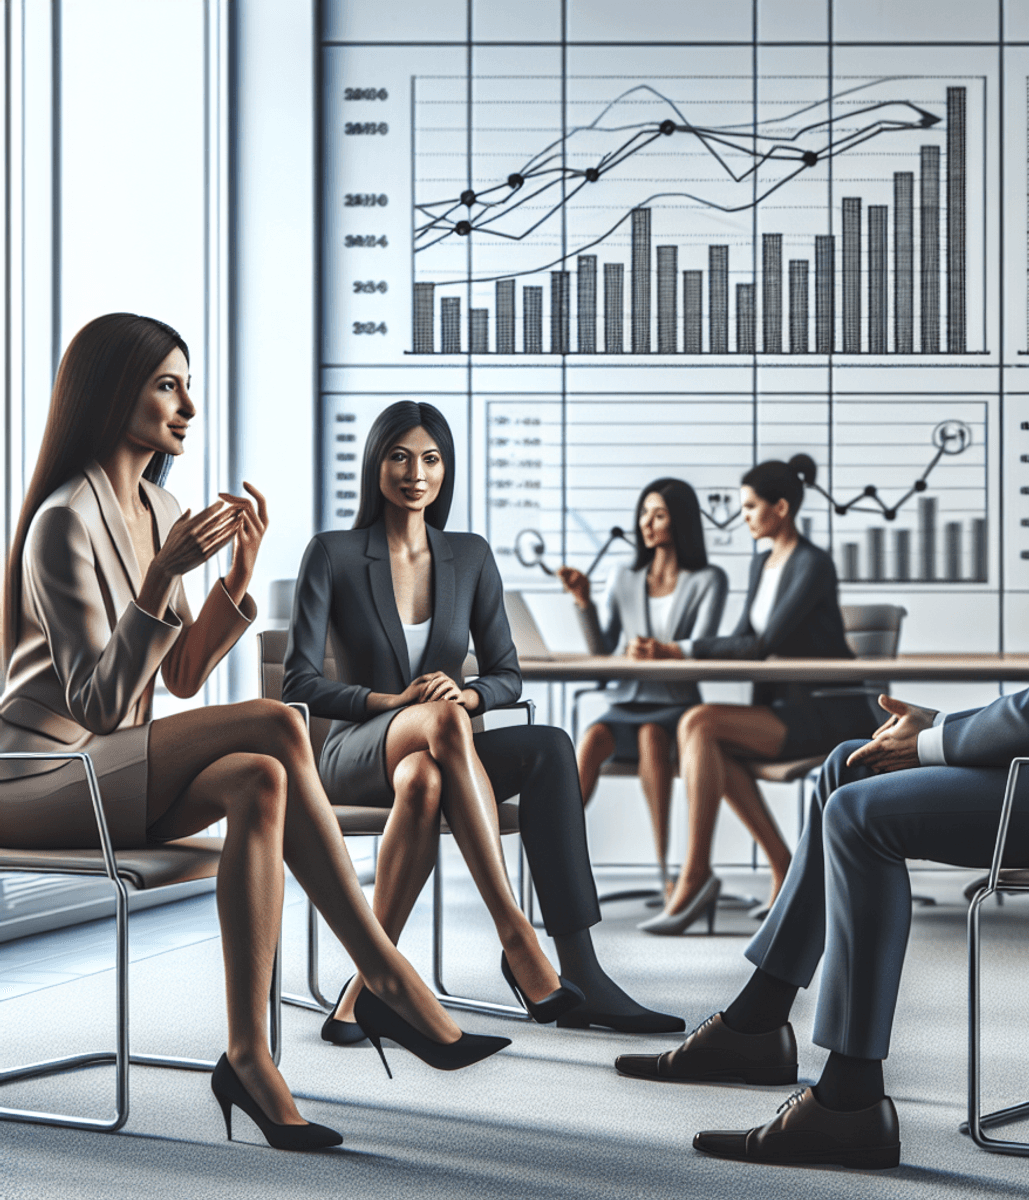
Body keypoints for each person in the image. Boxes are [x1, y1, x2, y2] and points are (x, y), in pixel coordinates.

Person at [613, 303, 1029, 1169]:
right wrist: (936, 730)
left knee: (862, 812)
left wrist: (927, 744)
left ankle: (846, 1101)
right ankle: (757, 1021)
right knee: (846, 769)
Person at [0, 314, 510, 1153]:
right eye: (167, 384)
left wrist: (232, 583)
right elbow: (96, 701)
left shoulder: (157, 504)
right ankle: (382, 971)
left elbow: (179, 679)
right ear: (107, 392)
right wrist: (163, 574)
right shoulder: (65, 518)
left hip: (109, 769)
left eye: (187, 383)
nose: (188, 406)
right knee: (277, 719)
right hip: (40, 779)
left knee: (261, 778)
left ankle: (248, 1057)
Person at [283, 401, 683, 1036]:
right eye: (399, 456)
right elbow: (298, 682)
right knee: (441, 724)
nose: (416, 473)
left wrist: (468, 696)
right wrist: (393, 703)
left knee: (534, 748)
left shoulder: (468, 557)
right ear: (375, 464)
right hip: (353, 752)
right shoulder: (332, 554)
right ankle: (517, 938)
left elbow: (506, 673)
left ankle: (572, 968)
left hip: (438, 754)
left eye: (432, 459)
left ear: (446, 470)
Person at [630, 455, 877, 934]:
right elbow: (744, 635)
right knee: (711, 743)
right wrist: (677, 650)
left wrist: (677, 650)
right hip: (785, 708)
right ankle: (781, 863)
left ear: (780, 508)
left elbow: (763, 645)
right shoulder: (763, 562)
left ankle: (697, 873)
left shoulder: (811, 563)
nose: (741, 516)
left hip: (827, 712)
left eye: (750, 506)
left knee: (698, 723)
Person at [558, 478, 728, 897]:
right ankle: (556, 862)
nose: (646, 523)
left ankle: (665, 872)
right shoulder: (624, 577)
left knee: (653, 738)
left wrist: (665, 652)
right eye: (644, 513)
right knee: (590, 739)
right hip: (626, 700)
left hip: (674, 703)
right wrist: (584, 603)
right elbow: (604, 653)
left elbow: (702, 650)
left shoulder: (708, 579)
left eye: (659, 514)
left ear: (681, 521)